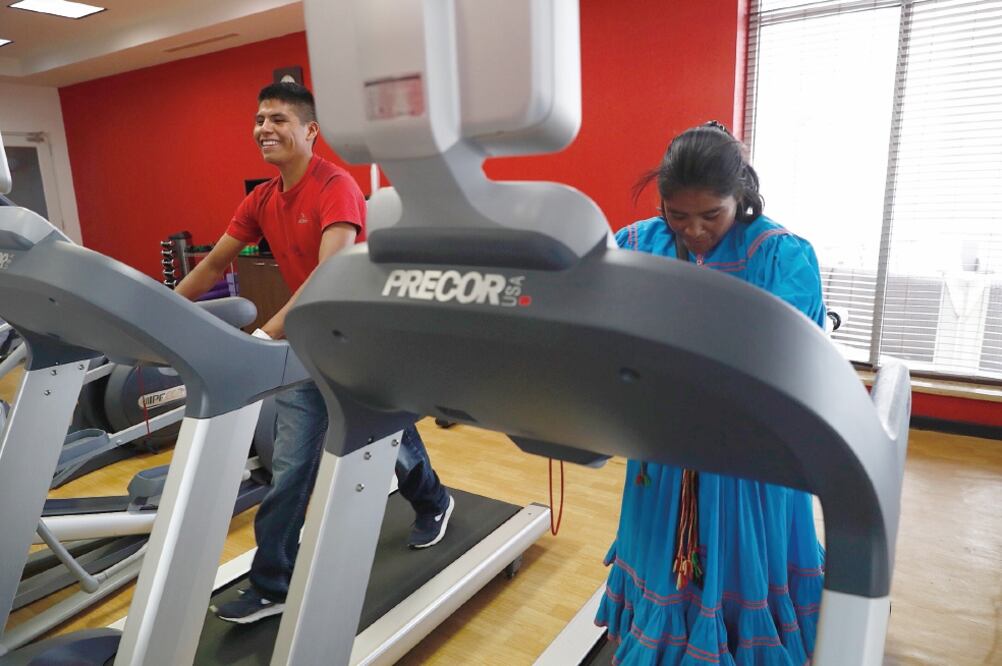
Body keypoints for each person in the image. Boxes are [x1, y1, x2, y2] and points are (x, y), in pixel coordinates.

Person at [174, 82, 454, 624]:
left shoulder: (337, 187)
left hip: (362, 340)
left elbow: (329, 273)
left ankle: (434, 501)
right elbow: (213, 264)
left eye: (278, 119)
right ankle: (273, 580)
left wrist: (265, 334)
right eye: (259, 119)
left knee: (389, 444)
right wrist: (162, 310)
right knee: (292, 462)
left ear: (310, 131)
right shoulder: (261, 198)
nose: (264, 129)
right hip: (310, 340)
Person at [595, 122, 826, 665]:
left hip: (747, 457)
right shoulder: (634, 245)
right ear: (662, 205)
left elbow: (784, 359)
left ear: (739, 198)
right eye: (678, 216)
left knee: (742, 561)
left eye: (711, 215)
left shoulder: (780, 255)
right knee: (665, 563)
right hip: (665, 449)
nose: (694, 231)